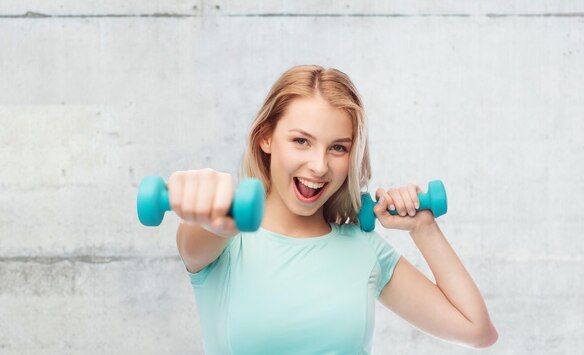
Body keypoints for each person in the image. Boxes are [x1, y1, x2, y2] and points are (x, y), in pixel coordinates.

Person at [170, 65, 498, 354]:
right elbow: (205, 230)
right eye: (301, 141)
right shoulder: (224, 240)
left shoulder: (363, 248)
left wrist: (423, 229)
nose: (319, 166)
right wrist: (211, 200)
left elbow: (476, 331)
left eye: (338, 147)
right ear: (266, 138)